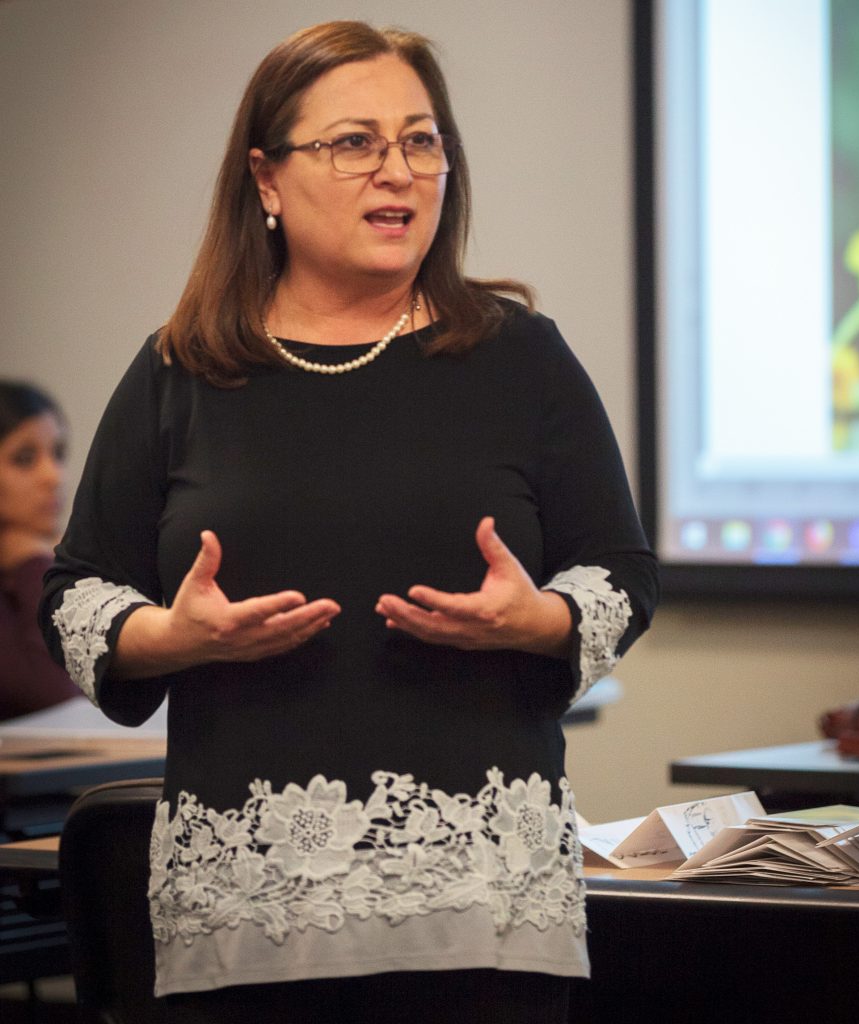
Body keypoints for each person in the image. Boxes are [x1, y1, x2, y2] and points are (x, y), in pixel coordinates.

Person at [40, 20, 659, 1024]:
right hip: (247, 925)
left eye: (421, 141)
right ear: (266, 179)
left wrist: (536, 619)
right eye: (354, 143)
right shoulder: (183, 369)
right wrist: (167, 634)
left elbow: (621, 573)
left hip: (482, 922)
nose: (398, 172)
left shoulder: (520, 359)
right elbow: (75, 593)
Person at [0, 381, 81, 721]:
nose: (54, 475)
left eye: (58, 454)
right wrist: (35, 563)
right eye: (25, 458)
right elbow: (55, 700)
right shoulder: (34, 565)